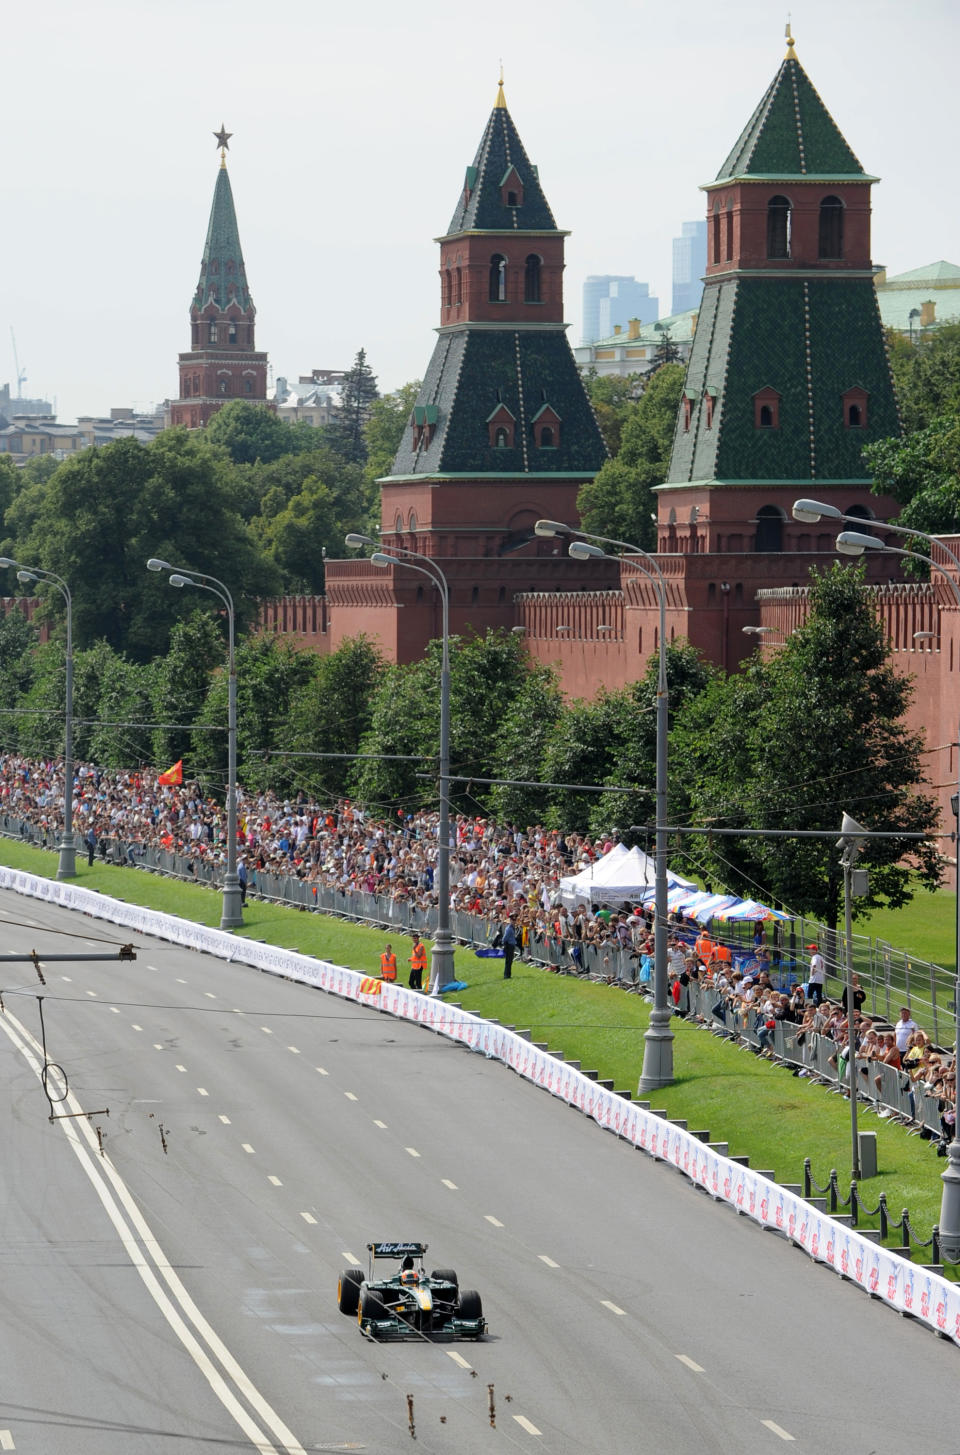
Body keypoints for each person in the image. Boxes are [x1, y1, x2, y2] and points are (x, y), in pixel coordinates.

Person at [501, 914, 518, 979]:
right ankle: (506, 975)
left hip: (511, 945)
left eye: (515, 920)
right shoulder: (509, 928)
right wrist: (503, 943)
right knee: (508, 961)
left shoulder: (512, 927)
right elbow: (505, 938)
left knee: (510, 961)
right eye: (513, 920)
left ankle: (508, 974)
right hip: (509, 946)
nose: (514, 921)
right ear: (510, 920)